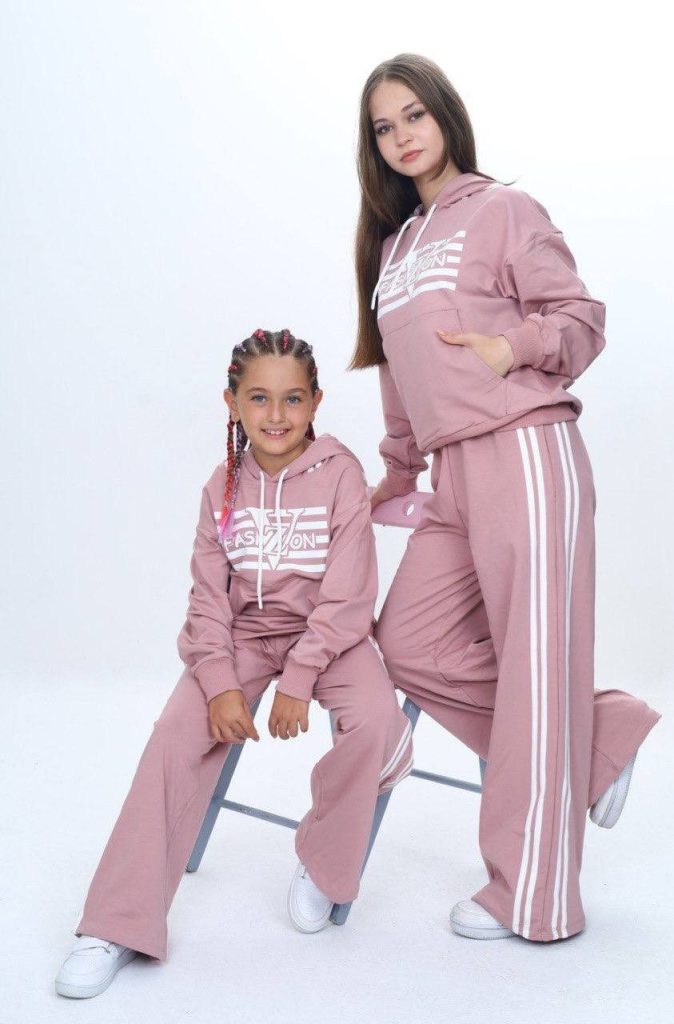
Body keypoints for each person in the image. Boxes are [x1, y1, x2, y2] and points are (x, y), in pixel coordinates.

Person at [351, 53, 661, 943]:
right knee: (406, 644)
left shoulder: (503, 209)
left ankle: (532, 899)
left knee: (534, 660)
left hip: (526, 449)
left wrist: (510, 348)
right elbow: (400, 377)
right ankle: (598, 738)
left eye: (415, 115)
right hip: (451, 475)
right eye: (384, 127)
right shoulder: (392, 248)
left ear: (446, 115)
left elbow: (581, 318)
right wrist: (397, 472)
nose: (403, 136)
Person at [55, 328, 412, 998]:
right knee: (173, 735)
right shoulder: (221, 487)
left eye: (293, 399)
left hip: (330, 638)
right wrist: (219, 684)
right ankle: (115, 923)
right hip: (243, 638)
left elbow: (349, 594)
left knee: (372, 721)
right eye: (259, 398)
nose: (276, 415)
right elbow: (207, 598)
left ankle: (326, 860)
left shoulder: (340, 475)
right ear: (233, 403)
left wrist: (299, 679)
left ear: (315, 402)